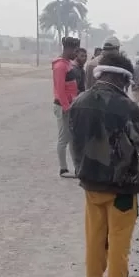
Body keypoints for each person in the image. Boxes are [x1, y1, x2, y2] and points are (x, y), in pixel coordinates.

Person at [69, 51, 139, 277]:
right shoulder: (126, 107)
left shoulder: (79, 101)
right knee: (118, 243)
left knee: (94, 239)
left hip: (90, 184)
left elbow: (74, 142)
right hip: (121, 189)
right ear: (122, 78)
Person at [52, 36, 80, 176]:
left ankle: (77, 168)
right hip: (63, 107)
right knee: (64, 138)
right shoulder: (60, 66)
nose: (76, 53)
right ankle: (63, 169)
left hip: (70, 105)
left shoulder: (68, 63)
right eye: (75, 50)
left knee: (71, 138)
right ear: (68, 49)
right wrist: (66, 106)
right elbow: (60, 89)